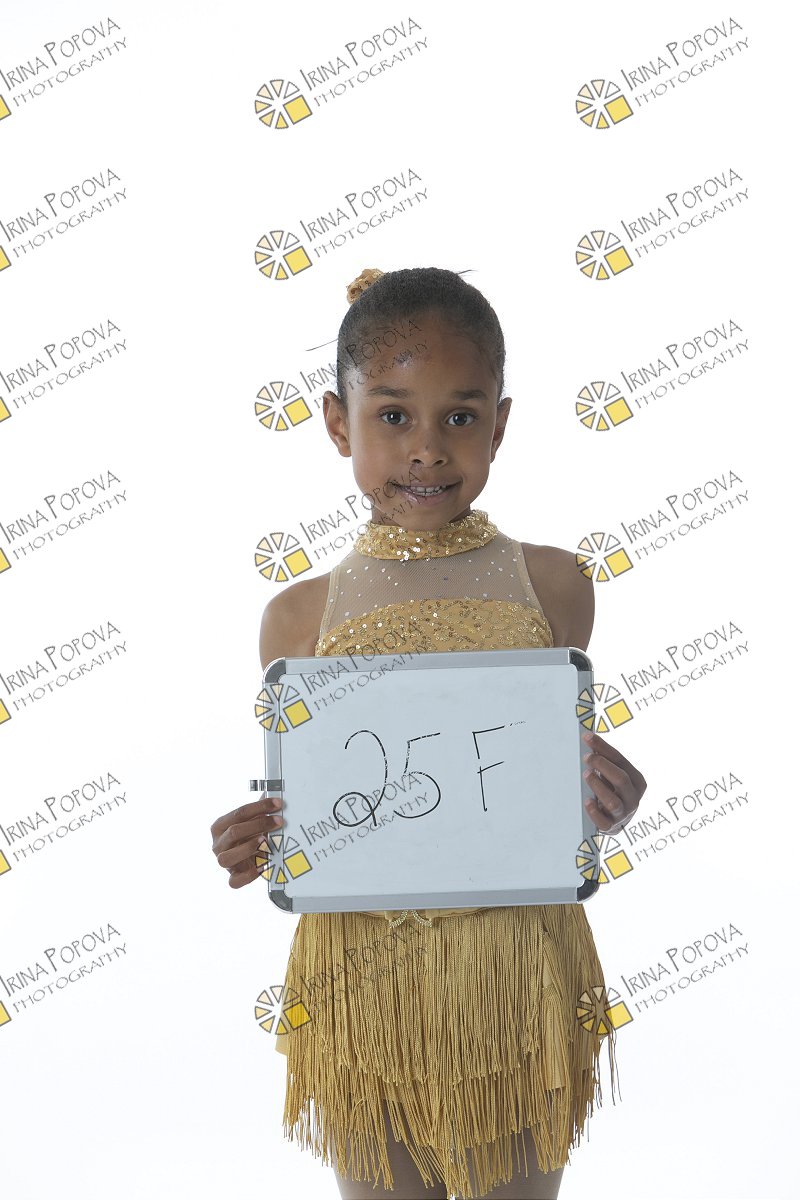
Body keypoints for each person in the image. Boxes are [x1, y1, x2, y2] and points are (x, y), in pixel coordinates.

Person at [210, 266, 647, 1199]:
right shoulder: (297, 620)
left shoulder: (556, 586)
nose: (427, 450)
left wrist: (603, 801)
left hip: (517, 974)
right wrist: (264, 838)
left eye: (459, 415)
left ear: (499, 425)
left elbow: (544, 778)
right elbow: (318, 805)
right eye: (394, 416)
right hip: (363, 983)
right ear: (339, 425)